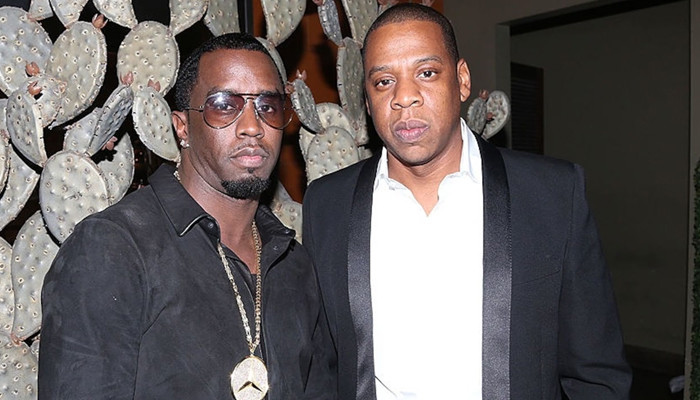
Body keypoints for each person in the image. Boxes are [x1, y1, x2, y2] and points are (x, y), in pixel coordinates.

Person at [302, 4, 632, 400]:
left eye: (426, 73)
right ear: (368, 99)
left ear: (461, 80)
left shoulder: (552, 195)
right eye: (384, 81)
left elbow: (596, 376)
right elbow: (320, 367)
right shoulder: (328, 206)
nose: (404, 97)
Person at [39, 33, 335, 400]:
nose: (252, 126)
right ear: (182, 127)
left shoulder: (294, 264)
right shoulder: (113, 248)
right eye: (224, 105)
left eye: (268, 106)